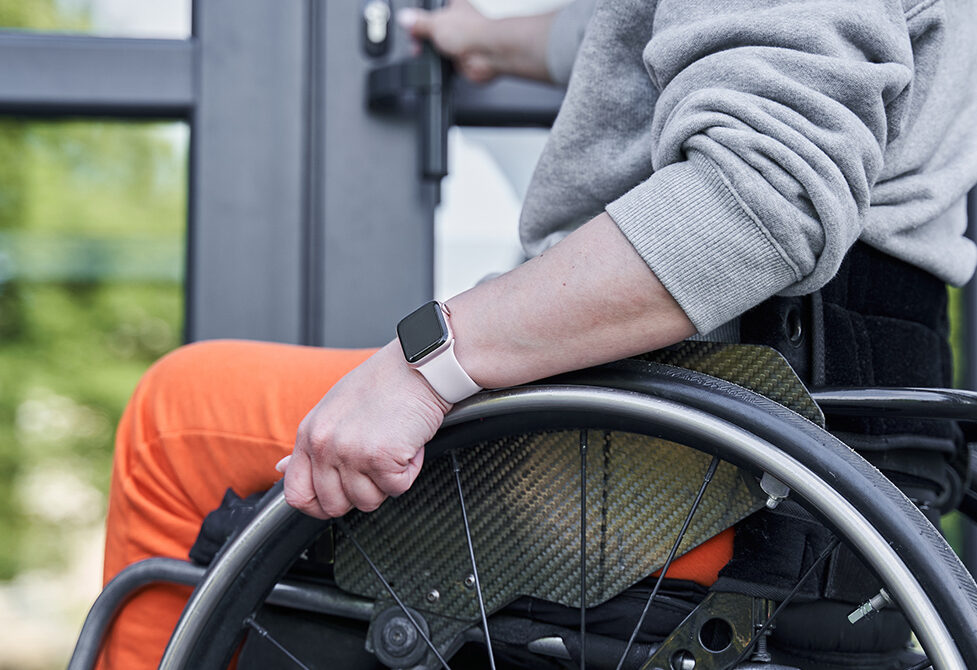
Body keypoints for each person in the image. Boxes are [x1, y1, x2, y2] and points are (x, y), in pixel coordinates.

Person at [97, 0, 977, 668]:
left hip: (709, 470)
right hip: (836, 454)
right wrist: (489, 41)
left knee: (178, 419)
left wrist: (426, 365)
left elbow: (761, 198)